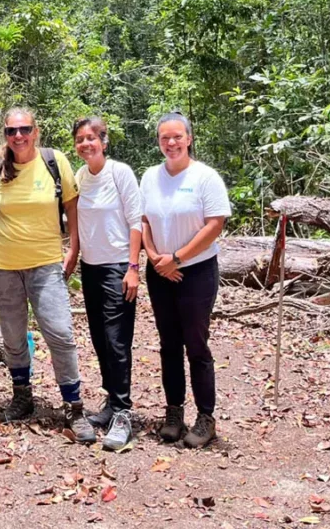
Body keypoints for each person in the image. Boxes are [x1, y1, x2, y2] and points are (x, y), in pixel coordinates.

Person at [0, 107, 95, 443]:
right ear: (5, 135)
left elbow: (71, 205)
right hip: (3, 263)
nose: (19, 136)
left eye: (24, 129)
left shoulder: (55, 162)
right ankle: (22, 394)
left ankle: (74, 406)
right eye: (12, 131)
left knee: (60, 332)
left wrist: (74, 249)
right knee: (13, 336)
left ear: (35, 131)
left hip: (45, 262)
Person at [140, 112, 231, 448]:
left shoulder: (205, 177)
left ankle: (205, 417)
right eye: (165, 138)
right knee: (168, 344)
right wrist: (154, 257)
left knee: (196, 344)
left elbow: (215, 224)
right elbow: (144, 219)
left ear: (189, 138)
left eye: (177, 136)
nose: (171, 143)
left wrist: (177, 258)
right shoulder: (150, 176)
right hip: (159, 270)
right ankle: (174, 411)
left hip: (195, 271)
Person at [69, 117, 142, 450]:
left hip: (117, 267)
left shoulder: (120, 173)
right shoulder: (79, 177)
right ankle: (112, 403)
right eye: (80, 139)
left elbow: (136, 221)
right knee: (100, 338)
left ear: (104, 141)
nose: (86, 144)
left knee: (117, 340)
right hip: (91, 267)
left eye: (92, 138)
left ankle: (124, 412)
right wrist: (73, 257)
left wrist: (133, 267)